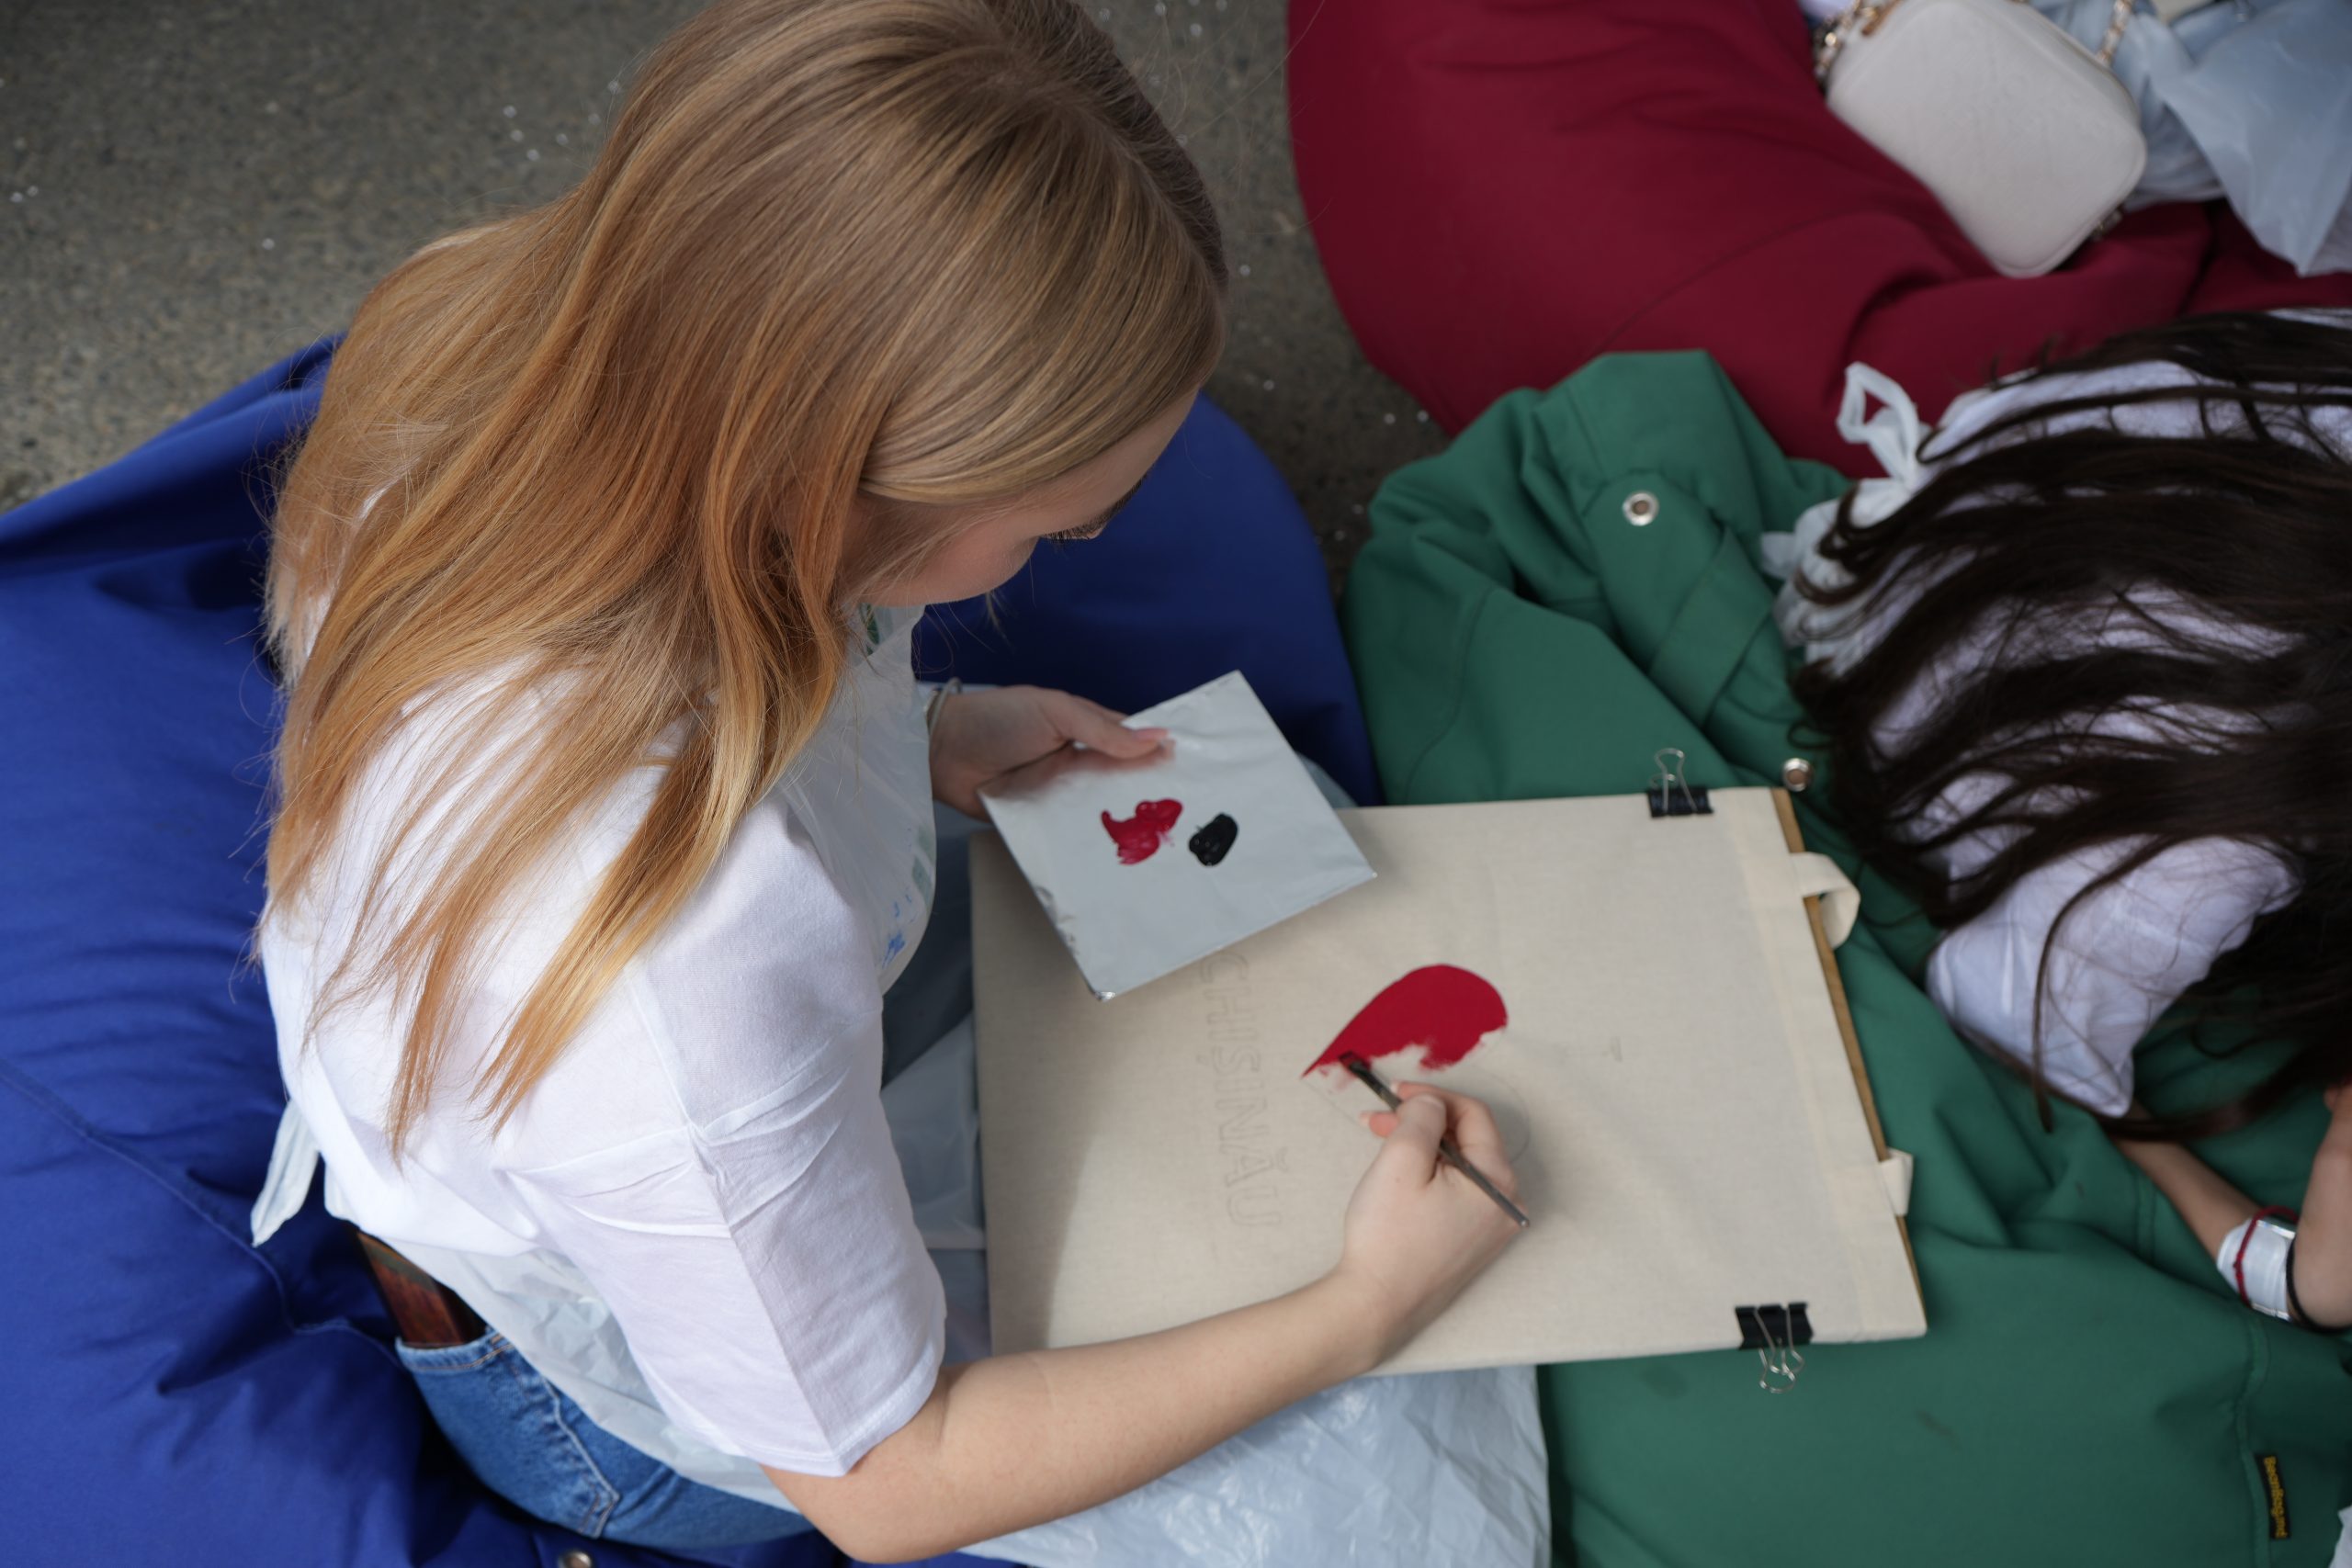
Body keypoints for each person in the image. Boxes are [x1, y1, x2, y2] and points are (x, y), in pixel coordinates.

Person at [241, 0, 1521, 1558]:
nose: (1069, 547)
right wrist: (1360, 1309)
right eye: (1057, 523)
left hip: (631, 1111)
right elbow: (892, 1483)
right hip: (610, 1394)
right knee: (1387, 1479)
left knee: (1257, 865)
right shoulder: (681, 971)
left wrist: (924, 732)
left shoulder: (493, 341)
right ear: (829, 482)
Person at [1770, 309, 2352, 1335]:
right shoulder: (2192, 865)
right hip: (1914, 675)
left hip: (1972, 520)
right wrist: (2159, 1156)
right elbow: (2010, 1022)